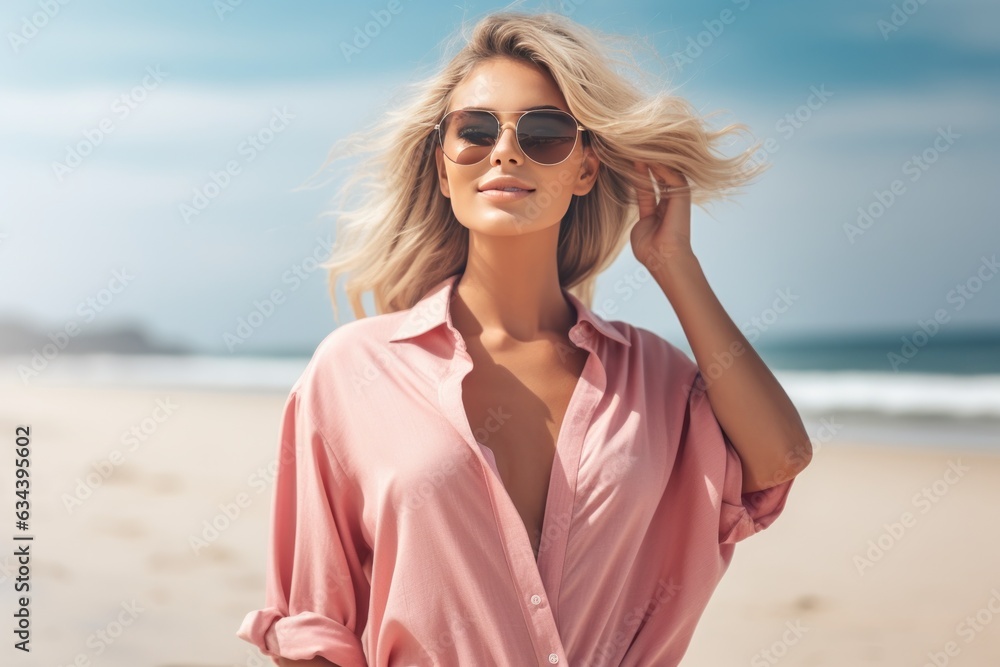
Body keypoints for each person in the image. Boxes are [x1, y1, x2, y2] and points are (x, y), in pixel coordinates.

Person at [237, 9, 812, 667]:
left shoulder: (653, 377)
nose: (505, 150)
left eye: (544, 132)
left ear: (587, 169)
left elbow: (779, 458)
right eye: (475, 131)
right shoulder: (354, 371)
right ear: (442, 163)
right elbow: (315, 634)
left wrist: (673, 263)